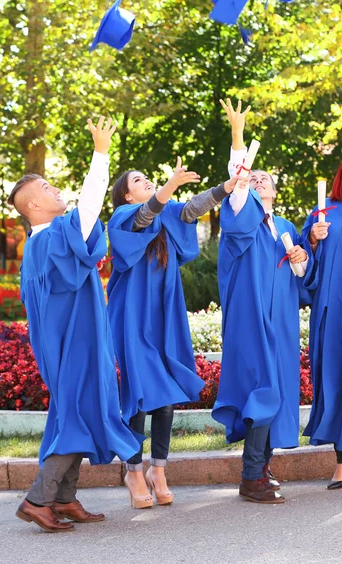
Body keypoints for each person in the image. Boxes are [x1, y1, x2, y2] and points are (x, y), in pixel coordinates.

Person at [7, 117, 142, 533]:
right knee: (79, 414)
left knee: (78, 412)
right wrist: (100, 154)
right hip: (73, 347)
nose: (55, 190)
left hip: (75, 342)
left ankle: (64, 498)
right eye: (46, 189)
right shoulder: (49, 240)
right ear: (32, 206)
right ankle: (37, 499)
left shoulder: (43, 243)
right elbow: (88, 210)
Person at [107, 155, 242, 509]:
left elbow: (190, 209)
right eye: (137, 181)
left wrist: (224, 188)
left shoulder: (165, 209)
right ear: (126, 195)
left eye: (146, 177)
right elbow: (145, 216)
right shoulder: (123, 217)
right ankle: (133, 471)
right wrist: (168, 187)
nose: (145, 181)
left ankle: (159, 470)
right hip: (133, 318)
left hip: (164, 315)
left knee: (166, 394)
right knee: (138, 394)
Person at [212, 99, 312, 504]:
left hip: (282, 320)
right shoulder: (242, 213)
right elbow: (238, 177)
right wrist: (238, 135)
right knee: (261, 386)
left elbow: (302, 278)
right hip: (251, 317)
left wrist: (302, 260)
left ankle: (262, 468)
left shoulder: (287, 227)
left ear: (276, 189)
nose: (258, 181)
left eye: (265, 179)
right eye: (253, 179)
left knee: (276, 389)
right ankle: (250, 476)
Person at [300, 162, 342, 489]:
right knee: (336, 381)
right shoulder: (325, 212)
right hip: (335, 308)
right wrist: (313, 240)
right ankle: (341, 464)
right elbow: (306, 265)